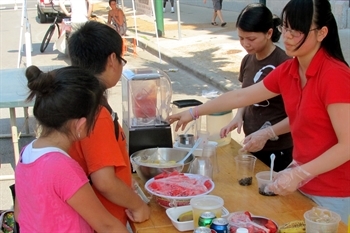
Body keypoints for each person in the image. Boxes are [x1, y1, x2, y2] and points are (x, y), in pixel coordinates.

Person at [168, 0, 350, 224]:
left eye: (298, 30)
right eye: (286, 27)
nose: (288, 36)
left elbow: (347, 144)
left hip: (333, 193)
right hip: (300, 184)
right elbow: (241, 96)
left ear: (322, 32)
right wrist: (195, 111)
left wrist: (300, 173)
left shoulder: (335, 75)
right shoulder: (290, 70)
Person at [14, 65, 129, 233]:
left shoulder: (26, 153)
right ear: (80, 125)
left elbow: (19, 214)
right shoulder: (62, 167)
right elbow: (107, 226)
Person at [67, 21, 150, 226]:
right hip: (103, 222)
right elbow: (104, 182)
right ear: (112, 59)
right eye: (122, 60)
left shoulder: (76, 99)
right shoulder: (95, 113)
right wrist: (138, 205)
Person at [220, 3, 293, 172]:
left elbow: (297, 116)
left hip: (279, 150)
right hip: (252, 143)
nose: (245, 44)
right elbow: (245, 96)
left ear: (269, 33)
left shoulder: (284, 64)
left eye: (251, 39)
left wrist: (267, 134)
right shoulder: (247, 60)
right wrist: (239, 116)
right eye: (241, 38)